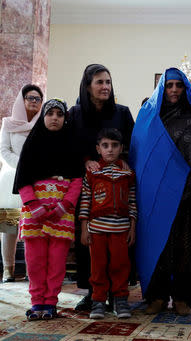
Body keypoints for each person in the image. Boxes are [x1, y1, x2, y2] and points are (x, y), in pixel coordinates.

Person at [129, 68, 191, 316]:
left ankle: (183, 298)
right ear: (162, 89)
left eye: (179, 85)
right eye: (170, 86)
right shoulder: (149, 118)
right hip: (155, 197)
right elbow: (140, 156)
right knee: (158, 246)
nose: (175, 90)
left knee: (185, 248)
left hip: (189, 196)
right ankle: (156, 296)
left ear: (186, 88)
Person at [69, 64, 135, 311]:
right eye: (99, 82)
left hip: (117, 187)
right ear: (88, 86)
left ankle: (117, 294)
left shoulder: (122, 112)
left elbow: (131, 145)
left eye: (108, 81)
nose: (105, 86)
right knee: (89, 244)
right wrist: (86, 160)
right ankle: (93, 293)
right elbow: (69, 147)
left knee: (117, 249)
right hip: (87, 186)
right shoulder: (74, 114)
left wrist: (120, 160)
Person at [12, 98, 84, 320]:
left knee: (56, 263)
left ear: (65, 118)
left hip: (61, 214)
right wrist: (34, 206)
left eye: (59, 114)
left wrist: (64, 205)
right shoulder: (32, 144)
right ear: (43, 117)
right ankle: (37, 303)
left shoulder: (72, 145)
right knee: (34, 263)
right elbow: (23, 178)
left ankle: (50, 302)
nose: (54, 118)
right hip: (35, 215)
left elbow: (77, 180)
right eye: (50, 113)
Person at [79, 128, 136, 319]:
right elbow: (85, 200)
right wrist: (84, 228)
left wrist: (132, 228)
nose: (110, 150)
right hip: (96, 230)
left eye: (114, 145)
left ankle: (120, 301)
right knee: (98, 266)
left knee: (120, 265)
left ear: (121, 148)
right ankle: (97, 302)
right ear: (98, 149)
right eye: (105, 145)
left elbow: (132, 202)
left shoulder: (128, 174)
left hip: (121, 229)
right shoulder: (92, 173)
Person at [0, 84, 43, 282]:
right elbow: (4, 150)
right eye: (30, 98)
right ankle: (8, 269)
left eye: (38, 99)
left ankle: (30, 271)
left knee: (33, 227)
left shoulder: (44, 123)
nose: (34, 102)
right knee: (9, 227)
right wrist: (22, 165)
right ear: (22, 100)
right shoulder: (8, 123)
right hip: (11, 178)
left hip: (36, 180)